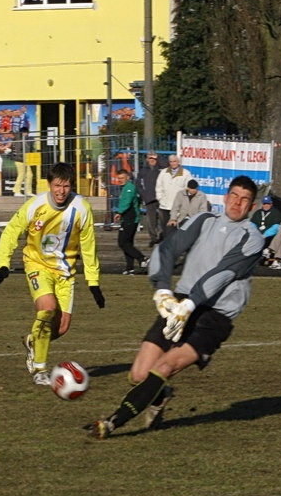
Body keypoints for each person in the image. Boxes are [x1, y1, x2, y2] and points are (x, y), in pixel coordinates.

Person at [87, 175, 263, 439]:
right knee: (138, 374)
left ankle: (111, 423)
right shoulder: (204, 220)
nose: (237, 203)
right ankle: (161, 396)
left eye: (245, 200)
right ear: (225, 197)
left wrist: (191, 303)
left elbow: (223, 273)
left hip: (214, 317)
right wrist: (162, 289)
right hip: (181, 303)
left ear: (251, 206)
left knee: (165, 367)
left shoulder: (252, 237)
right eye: (234, 196)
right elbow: (168, 249)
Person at [0, 162, 104, 385]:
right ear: (49, 184)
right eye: (57, 185)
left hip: (65, 273)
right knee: (48, 309)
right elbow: (12, 231)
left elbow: (88, 245)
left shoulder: (82, 208)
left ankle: (33, 341)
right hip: (37, 265)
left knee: (61, 328)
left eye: (66, 186)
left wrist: (93, 282)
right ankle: (40, 369)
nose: (61, 191)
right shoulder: (35, 205)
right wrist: (2, 264)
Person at [113, 169, 148, 275]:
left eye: (122, 178)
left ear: (128, 177)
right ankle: (130, 267)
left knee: (122, 242)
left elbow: (127, 202)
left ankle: (142, 258)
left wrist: (119, 212)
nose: (120, 180)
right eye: (118, 178)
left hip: (130, 218)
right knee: (128, 243)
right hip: (128, 218)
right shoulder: (126, 188)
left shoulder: (129, 188)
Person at [155, 154, 190, 238]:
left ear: (178, 162)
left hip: (178, 207)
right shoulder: (163, 172)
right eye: (171, 161)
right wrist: (160, 199)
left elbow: (188, 189)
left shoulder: (186, 174)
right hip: (164, 206)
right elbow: (158, 187)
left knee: (176, 228)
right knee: (165, 228)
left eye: (174, 161)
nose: (173, 163)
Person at [135, 152, 163, 246]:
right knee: (151, 220)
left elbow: (167, 164)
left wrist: (158, 157)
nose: (152, 160)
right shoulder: (143, 171)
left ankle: (163, 236)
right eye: (149, 158)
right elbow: (138, 185)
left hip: (161, 198)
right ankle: (153, 238)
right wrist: (144, 195)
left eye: (153, 158)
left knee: (164, 218)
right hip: (149, 198)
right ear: (146, 159)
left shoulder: (161, 169)